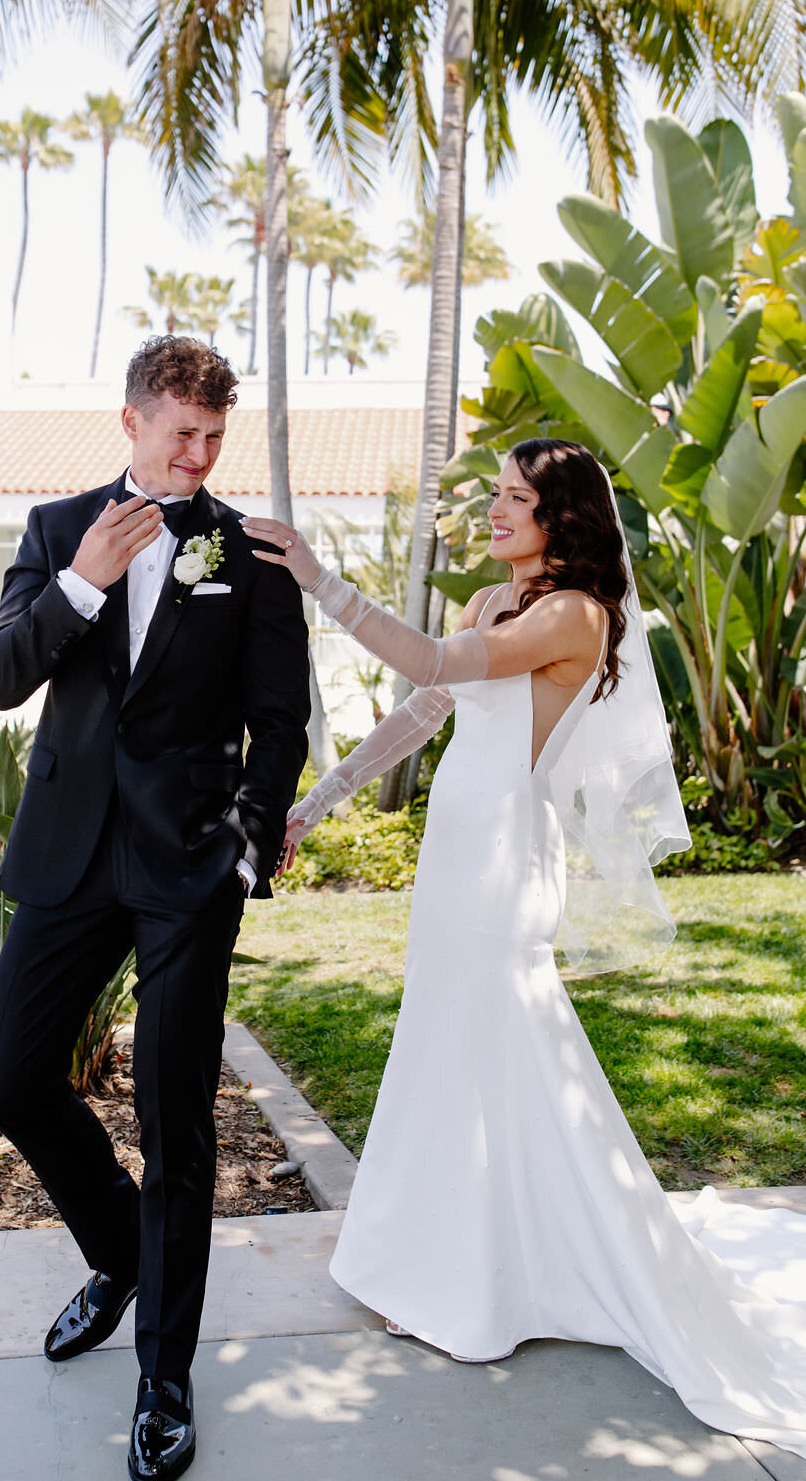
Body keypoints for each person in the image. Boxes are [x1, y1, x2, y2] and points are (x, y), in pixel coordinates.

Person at [241, 438, 806, 1460]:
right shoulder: (490, 602)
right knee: (449, 1053)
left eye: (514, 499)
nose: (494, 512)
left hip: (506, 863)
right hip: (454, 858)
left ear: (564, 519)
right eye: (495, 495)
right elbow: (422, 712)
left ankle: (492, 1284)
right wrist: (314, 804)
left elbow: (424, 662)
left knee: (499, 1048)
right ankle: (436, 1262)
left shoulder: (569, 616)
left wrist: (317, 576)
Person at [0, 336, 310, 1481]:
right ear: (131, 423)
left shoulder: (248, 552)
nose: (198, 456)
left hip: (187, 870)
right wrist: (84, 584)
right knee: (10, 1078)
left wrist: (246, 849)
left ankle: (163, 1376)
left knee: (177, 1122)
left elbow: (283, 716)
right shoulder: (55, 528)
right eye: (180, 435)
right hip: (68, 856)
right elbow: (1, 674)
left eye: (214, 439)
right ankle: (120, 1253)